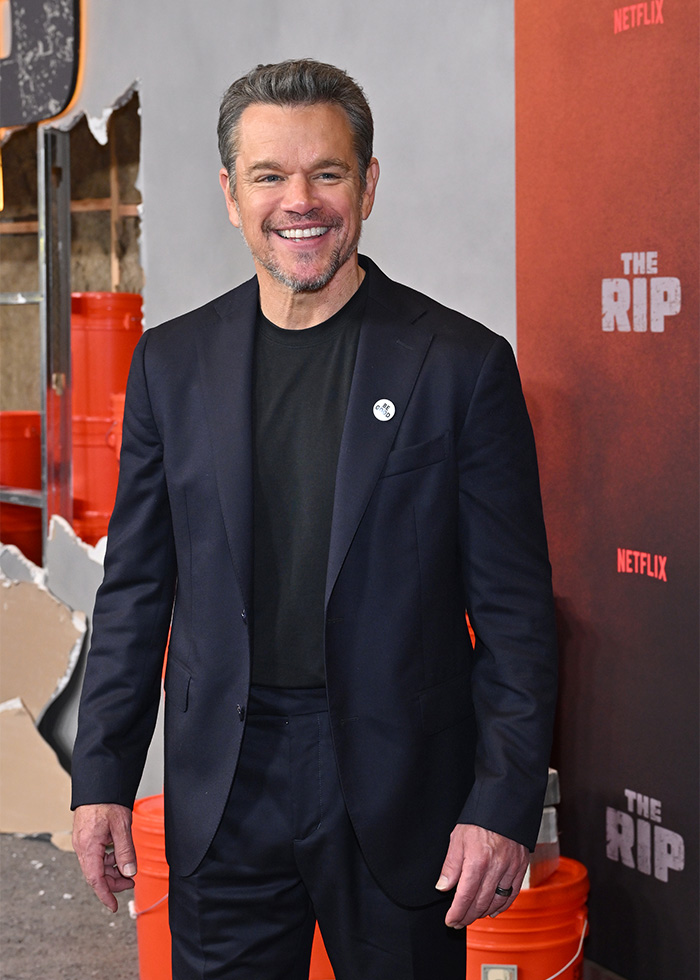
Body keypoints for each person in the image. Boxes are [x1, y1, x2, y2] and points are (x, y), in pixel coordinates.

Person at [71, 59, 558, 980]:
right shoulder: (170, 367)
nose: (301, 201)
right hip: (225, 787)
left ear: (368, 185)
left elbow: (517, 618)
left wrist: (501, 802)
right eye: (269, 176)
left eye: (327, 173)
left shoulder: (461, 367)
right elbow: (136, 591)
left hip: (401, 793)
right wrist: (100, 779)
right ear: (229, 194)